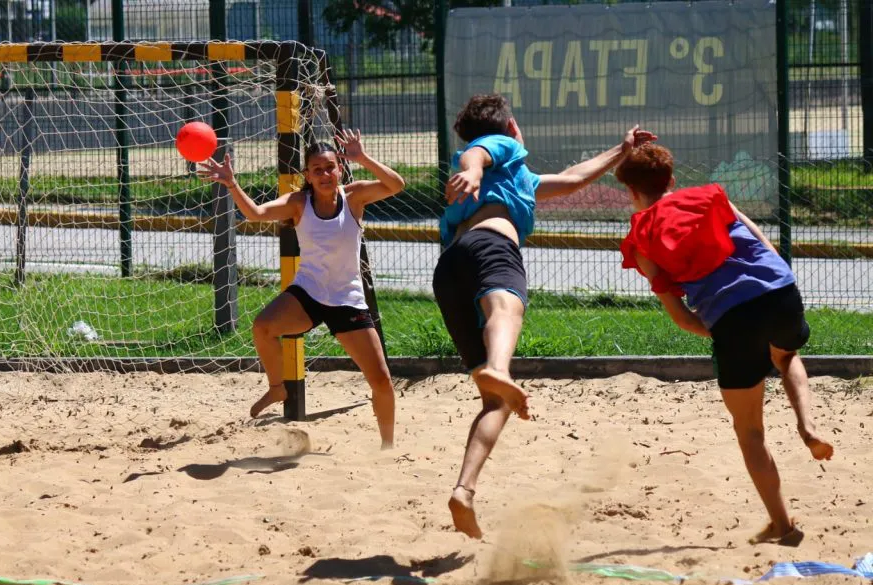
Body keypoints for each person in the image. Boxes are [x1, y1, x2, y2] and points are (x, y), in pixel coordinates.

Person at [434, 93, 656, 539]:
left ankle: (465, 489)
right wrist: (472, 168)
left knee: (496, 400)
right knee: (506, 306)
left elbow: (573, 178)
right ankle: (498, 368)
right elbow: (476, 153)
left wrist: (621, 150)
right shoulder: (503, 145)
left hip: (448, 271)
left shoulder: (518, 178)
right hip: (491, 246)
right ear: (512, 127)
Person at [614, 142, 834, 547]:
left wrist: (725, 330)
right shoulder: (711, 196)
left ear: (631, 193)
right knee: (786, 355)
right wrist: (775, 287)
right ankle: (808, 426)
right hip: (779, 287)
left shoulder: (641, 239)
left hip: (730, 316)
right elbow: (763, 243)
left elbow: (681, 317)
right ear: (672, 180)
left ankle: (782, 525)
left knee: (749, 431)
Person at [198, 130, 403, 449]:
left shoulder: (355, 196)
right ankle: (278, 387)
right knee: (263, 327)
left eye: (330, 167)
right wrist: (231, 183)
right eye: (317, 169)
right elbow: (255, 214)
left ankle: (387, 447)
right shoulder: (298, 203)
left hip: (347, 301)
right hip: (308, 294)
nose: (324, 174)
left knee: (381, 382)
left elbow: (396, 185)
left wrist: (362, 157)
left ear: (339, 169)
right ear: (306, 174)